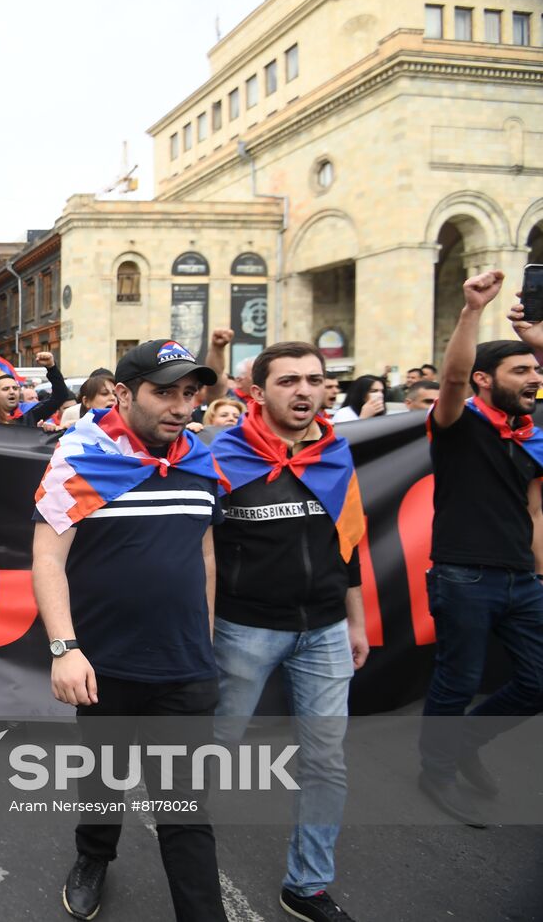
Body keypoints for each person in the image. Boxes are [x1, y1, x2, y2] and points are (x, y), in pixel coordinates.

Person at [32, 338, 227, 922]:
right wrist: (65, 649)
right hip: (106, 665)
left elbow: (205, 557)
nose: (180, 406)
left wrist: (208, 640)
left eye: (190, 393)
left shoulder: (199, 460)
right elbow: (47, 560)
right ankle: (94, 855)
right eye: (164, 392)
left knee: (185, 810)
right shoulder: (80, 459)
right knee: (103, 778)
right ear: (122, 393)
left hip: (186, 669)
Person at [209, 341, 369, 922]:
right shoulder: (221, 457)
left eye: (314, 379)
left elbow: (348, 543)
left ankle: (307, 885)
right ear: (257, 392)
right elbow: (198, 553)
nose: (304, 391)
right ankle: (181, 844)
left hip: (325, 630)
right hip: (243, 631)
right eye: (288, 381)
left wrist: (356, 619)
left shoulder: (335, 454)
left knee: (326, 760)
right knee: (213, 751)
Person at [418, 270, 543, 828]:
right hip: (463, 577)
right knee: (458, 680)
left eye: (538, 370)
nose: (534, 379)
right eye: (522, 371)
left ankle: (465, 741)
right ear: (485, 380)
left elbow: (535, 515)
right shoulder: (457, 424)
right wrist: (472, 311)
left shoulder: (532, 435)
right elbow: (451, 377)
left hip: (522, 580)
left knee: (538, 679)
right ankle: (438, 771)